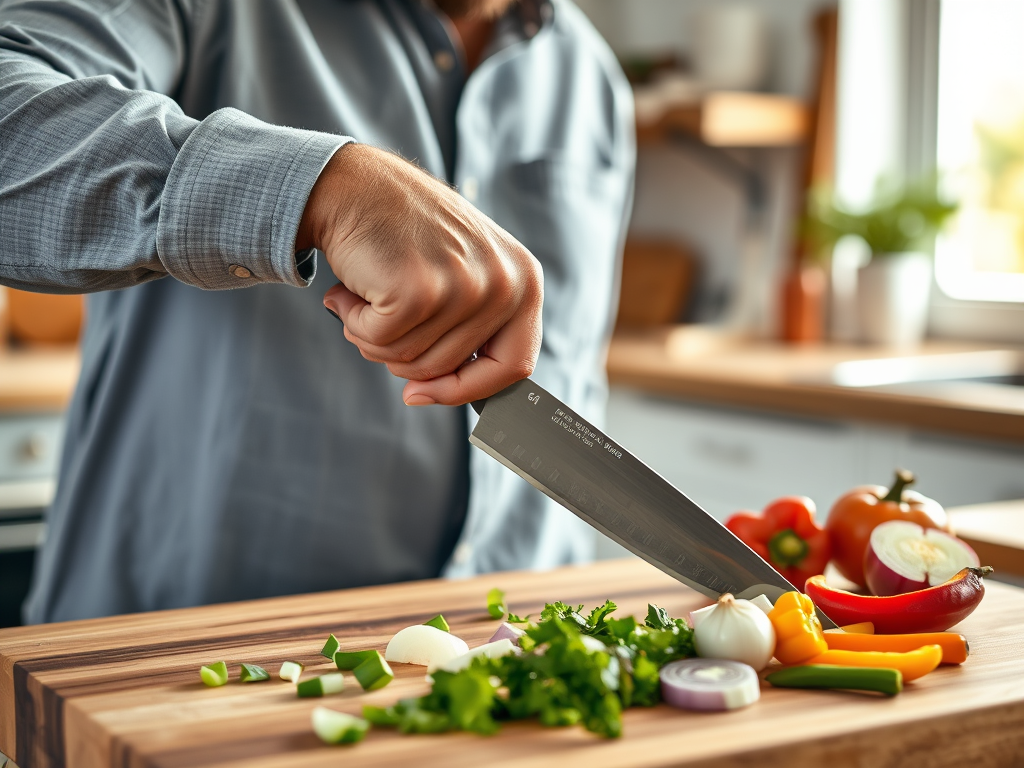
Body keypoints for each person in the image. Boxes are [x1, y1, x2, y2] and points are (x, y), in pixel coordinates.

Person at [0, 0, 635, 623]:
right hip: (180, 651)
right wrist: (318, 189)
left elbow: (574, 367)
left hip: (506, 649)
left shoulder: (590, 75)